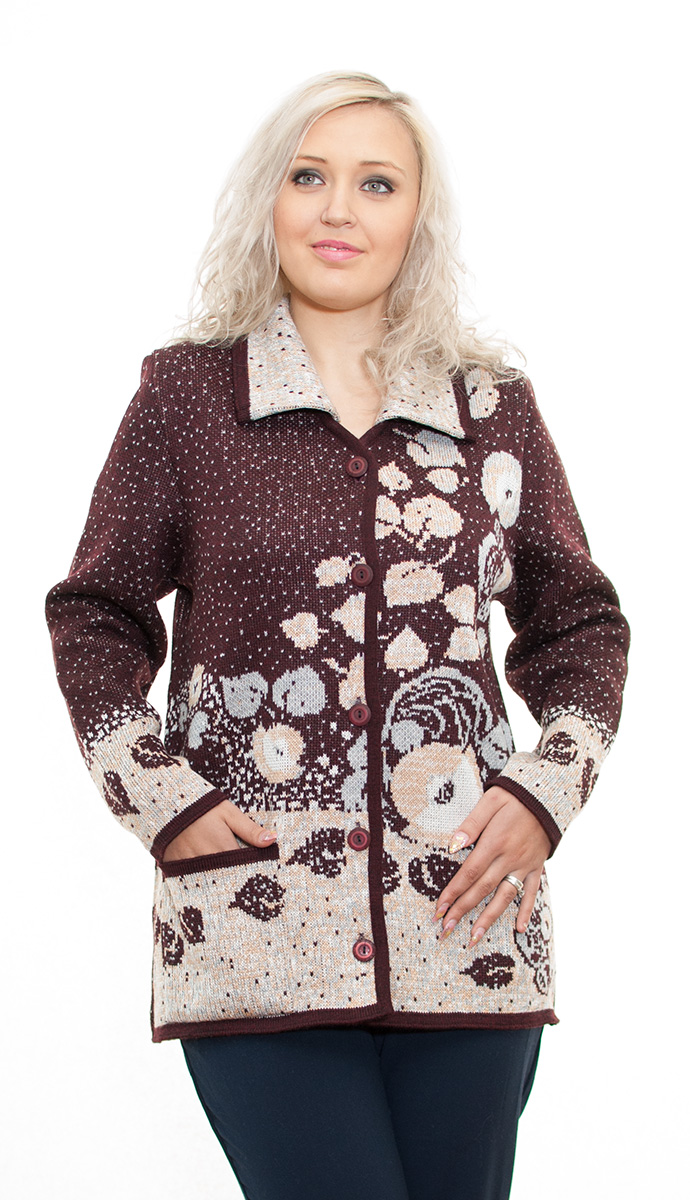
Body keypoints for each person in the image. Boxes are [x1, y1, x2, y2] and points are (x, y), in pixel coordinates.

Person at [45, 70, 630, 1200]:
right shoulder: (188, 397)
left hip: (469, 928)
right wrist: (165, 802)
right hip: (254, 921)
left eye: (377, 183)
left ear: (418, 216)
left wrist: (545, 790)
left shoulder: (490, 404)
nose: (338, 210)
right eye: (309, 176)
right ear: (268, 198)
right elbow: (96, 613)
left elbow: (580, 622)